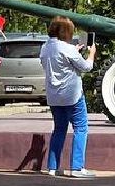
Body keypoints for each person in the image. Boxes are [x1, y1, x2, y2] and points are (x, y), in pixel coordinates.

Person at [39, 16, 97, 177]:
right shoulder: (68, 49)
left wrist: (74, 52)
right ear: (66, 32)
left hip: (54, 96)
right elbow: (86, 67)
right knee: (81, 128)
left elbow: (52, 62)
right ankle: (77, 168)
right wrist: (91, 54)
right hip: (72, 95)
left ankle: (52, 167)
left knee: (59, 130)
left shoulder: (45, 48)